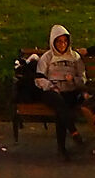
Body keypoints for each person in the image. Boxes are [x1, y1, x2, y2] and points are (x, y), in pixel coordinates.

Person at [33, 24, 88, 159]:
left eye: (65, 41)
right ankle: (73, 131)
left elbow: (83, 79)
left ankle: (62, 147)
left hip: (70, 90)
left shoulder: (75, 57)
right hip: (52, 91)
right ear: (53, 42)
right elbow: (39, 78)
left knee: (61, 108)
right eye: (59, 41)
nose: (62, 44)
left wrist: (73, 80)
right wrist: (51, 86)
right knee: (58, 102)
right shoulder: (47, 57)